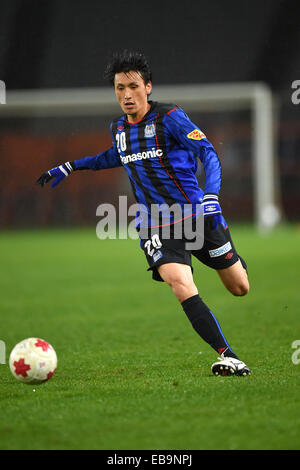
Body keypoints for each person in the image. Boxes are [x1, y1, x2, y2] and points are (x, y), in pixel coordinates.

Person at [36, 50, 251, 376]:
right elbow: (115, 155)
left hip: (197, 216)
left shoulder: (171, 118)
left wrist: (211, 196)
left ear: (147, 87)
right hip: (156, 224)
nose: (126, 94)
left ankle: (229, 257)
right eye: (119, 88)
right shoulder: (119, 128)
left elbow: (207, 152)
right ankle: (228, 355)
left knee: (239, 287)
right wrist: (72, 165)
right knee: (180, 282)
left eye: (132, 86)